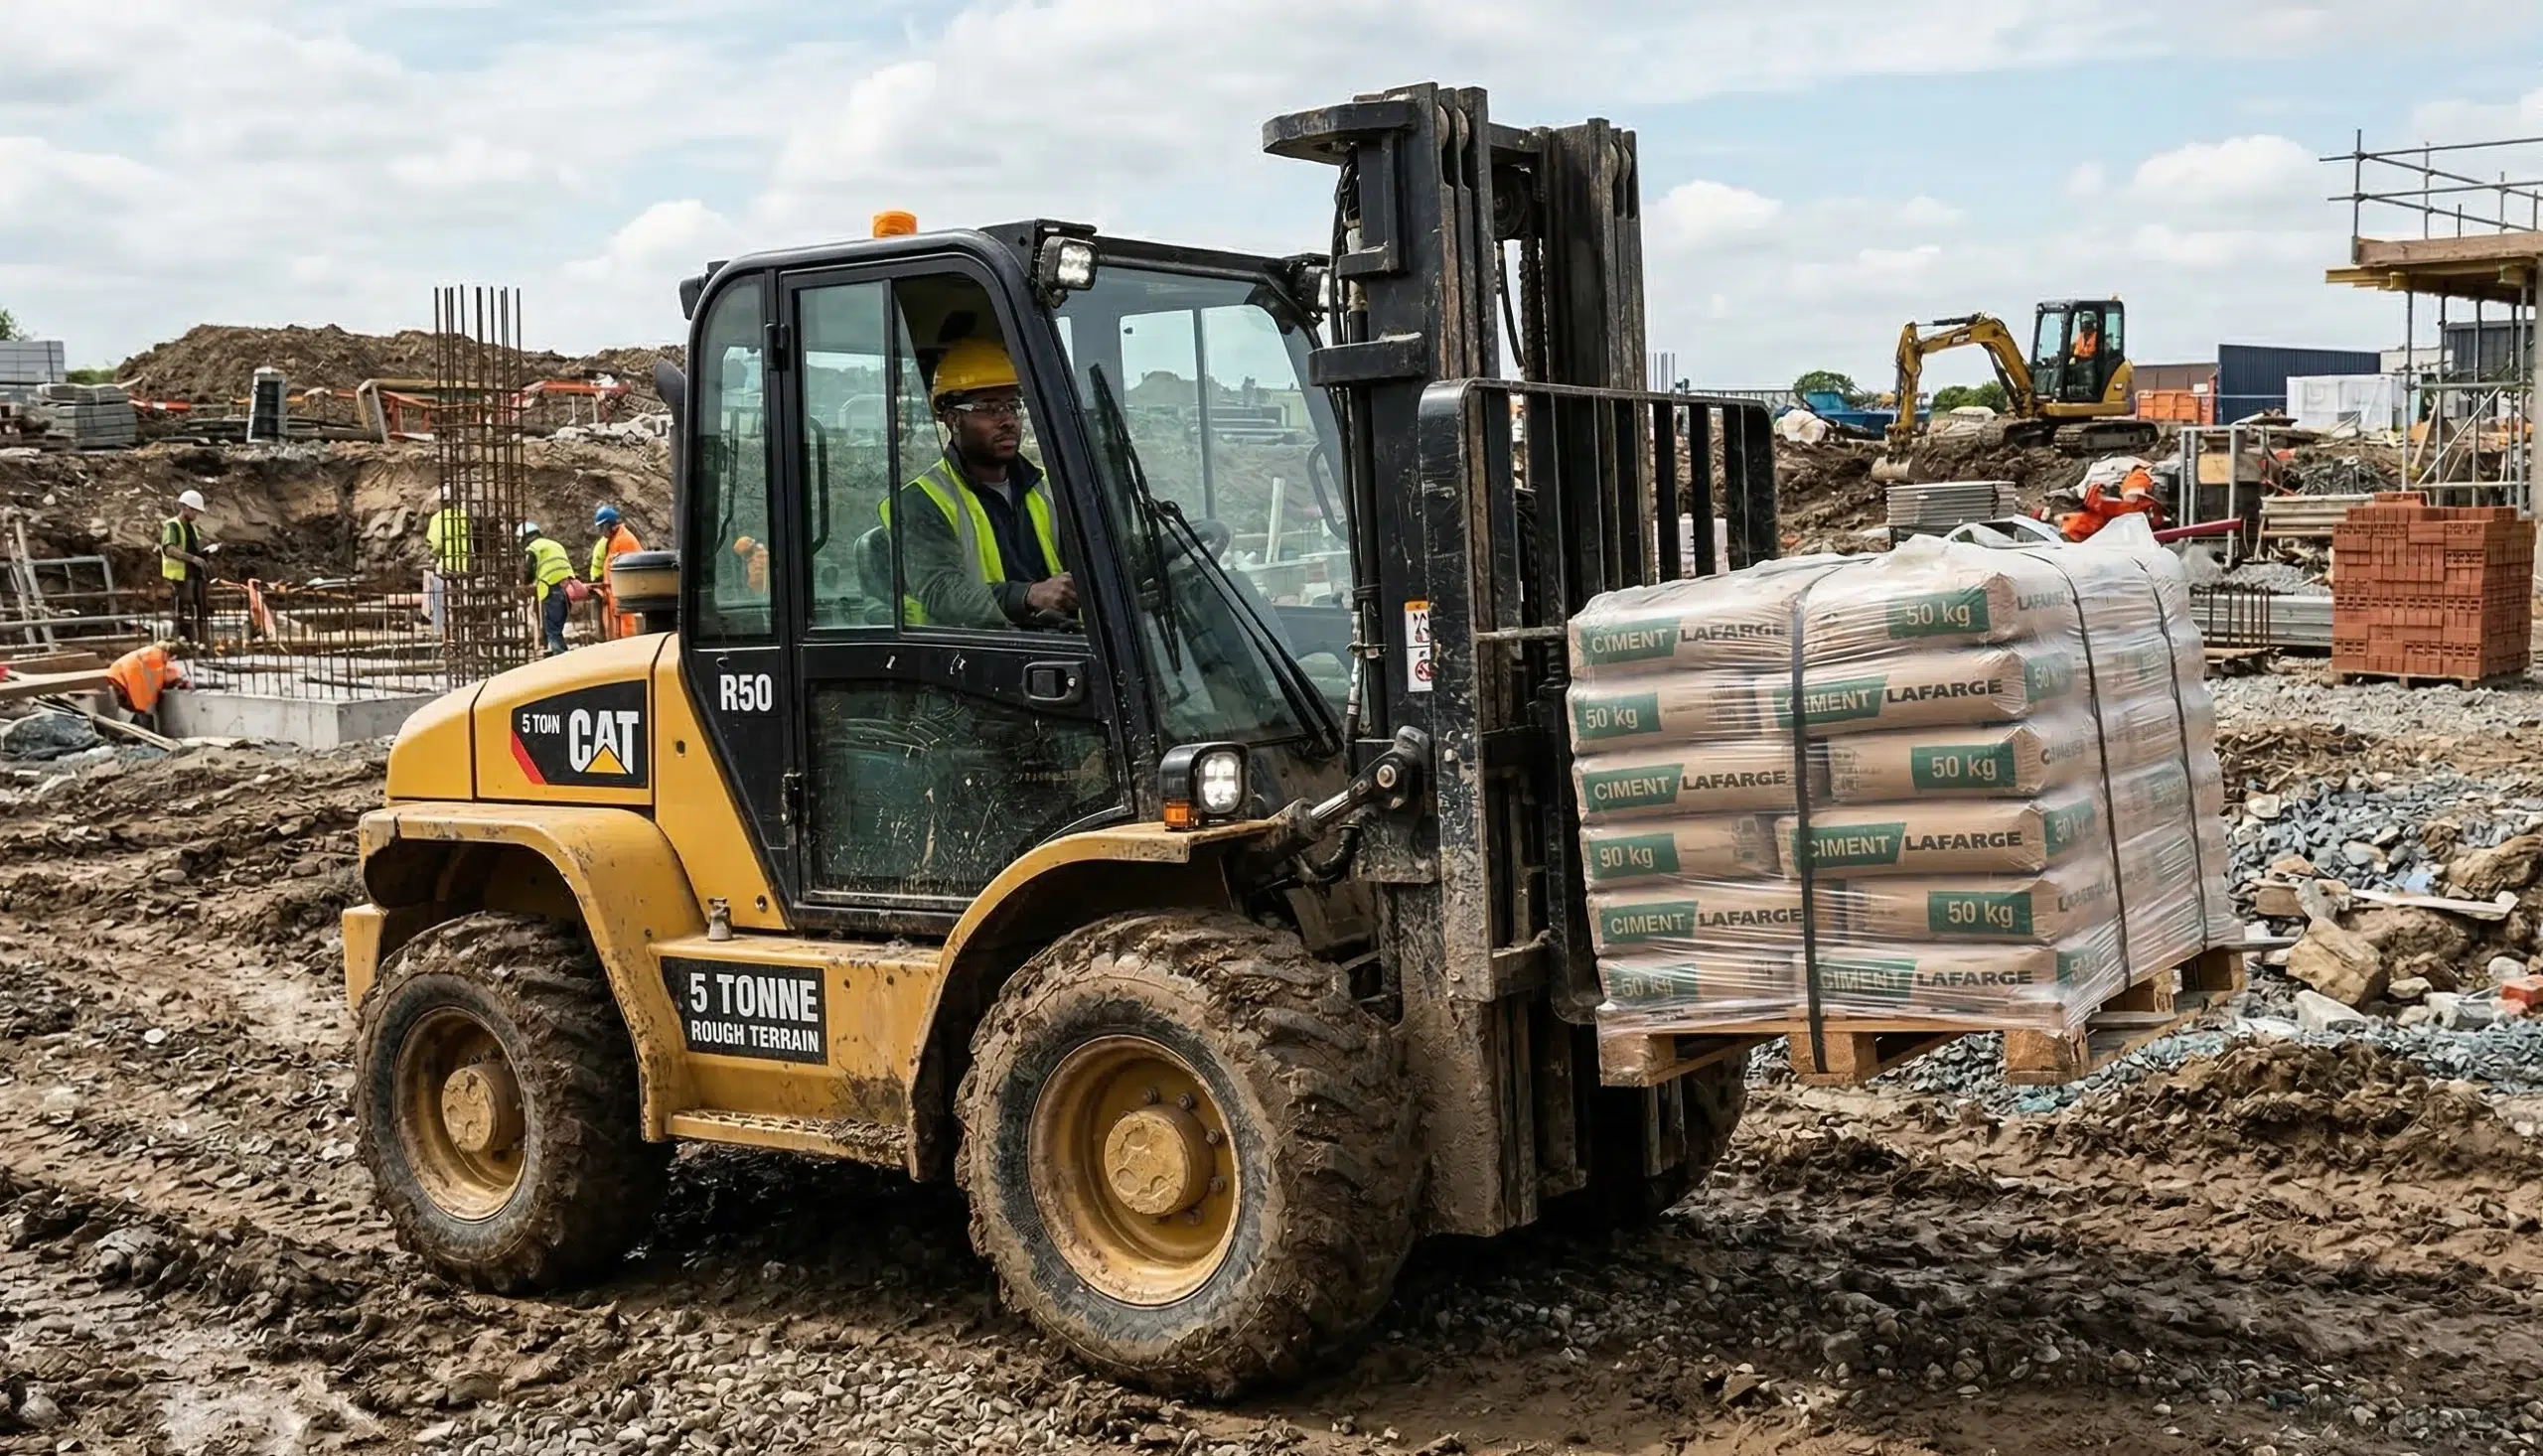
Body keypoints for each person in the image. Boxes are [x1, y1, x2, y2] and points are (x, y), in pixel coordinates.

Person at [885, 338, 1074, 629]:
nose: (1008, 420)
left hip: (1057, 642)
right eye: (988, 408)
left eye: (1013, 406)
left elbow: (1089, 558)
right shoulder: (921, 502)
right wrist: (1029, 595)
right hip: (969, 651)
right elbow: (941, 593)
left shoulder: (1046, 489)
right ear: (953, 419)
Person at [160, 489, 216, 645]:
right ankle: (185, 643)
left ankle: (201, 644)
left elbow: (192, 549)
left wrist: (203, 555)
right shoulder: (173, 525)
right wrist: (193, 559)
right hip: (181, 576)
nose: (196, 514)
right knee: (185, 612)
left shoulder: (191, 528)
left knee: (200, 611)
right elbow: (169, 548)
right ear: (184, 507)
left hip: (194, 575)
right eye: (194, 510)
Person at [586, 505, 644, 639]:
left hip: (624, 593)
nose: (601, 531)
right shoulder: (615, 539)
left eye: (602, 527)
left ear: (609, 525)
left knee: (626, 626)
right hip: (615, 592)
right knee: (618, 626)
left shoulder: (623, 540)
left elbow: (626, 571)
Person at [105, 642, 189, 733]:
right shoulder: (158, 660)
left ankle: (123, 731)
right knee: (140, 708)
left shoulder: (154, 653)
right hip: (123, 677)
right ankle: (133, 732)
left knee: (128, 706)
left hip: (118, 673)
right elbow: (153, 687)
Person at [519, 522, 575, 655]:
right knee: (556, 627)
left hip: (551, 588)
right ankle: (560, 652)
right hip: (568, 590)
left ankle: (560, 656)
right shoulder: (554, 544)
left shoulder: (533, 548)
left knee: (552, 629)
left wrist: (525, 583)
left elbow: (529, 570)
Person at [423, 486, 471, 636]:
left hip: (446, 566)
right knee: (464, 603)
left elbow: (436, 545)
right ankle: (465, 635)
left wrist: (435, 555)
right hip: (464, 564)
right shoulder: (464, 515)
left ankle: (448, 637)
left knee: (446, 605)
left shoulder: (437, 519)